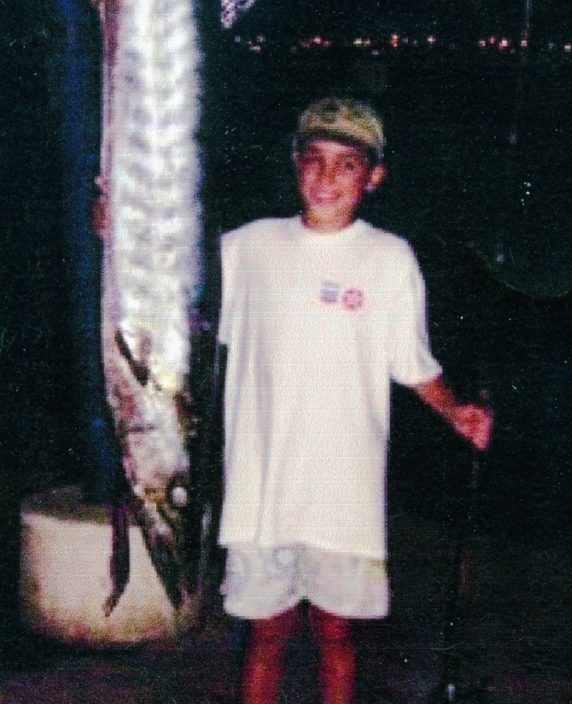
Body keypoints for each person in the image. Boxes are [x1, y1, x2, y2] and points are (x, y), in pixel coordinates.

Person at [217, 97, 494, 704]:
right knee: (265, 633)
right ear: (294, 165)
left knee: (334, 635)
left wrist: (454, 410)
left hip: (343, 489)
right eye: (313, 160)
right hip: (261, 487)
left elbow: (413, 363)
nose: (325, 177)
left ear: (373, 178)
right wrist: (117, 236)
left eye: (346, 165)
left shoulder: (390, 259)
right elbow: (172, 299)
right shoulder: (245, 248)